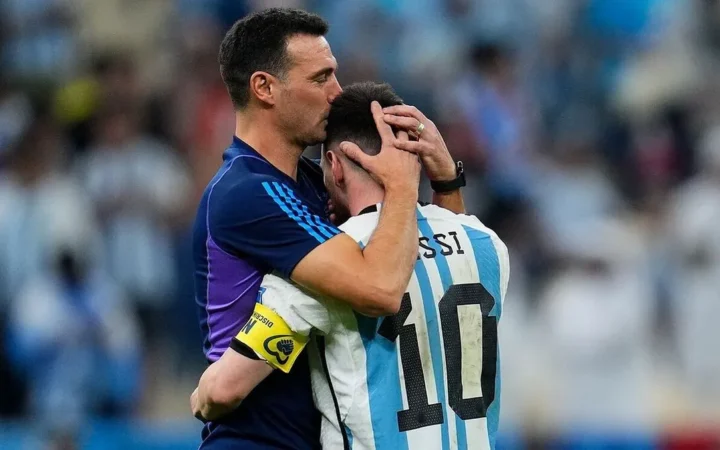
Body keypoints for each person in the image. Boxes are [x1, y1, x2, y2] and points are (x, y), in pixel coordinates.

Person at [192, 8, 465, 450]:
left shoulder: (313, 183)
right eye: (321, 78)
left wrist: (446, 181)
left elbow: (433, 265)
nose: (337, 93)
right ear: (264, 88)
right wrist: (403, 184)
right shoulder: (247, 194)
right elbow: (380, 289)